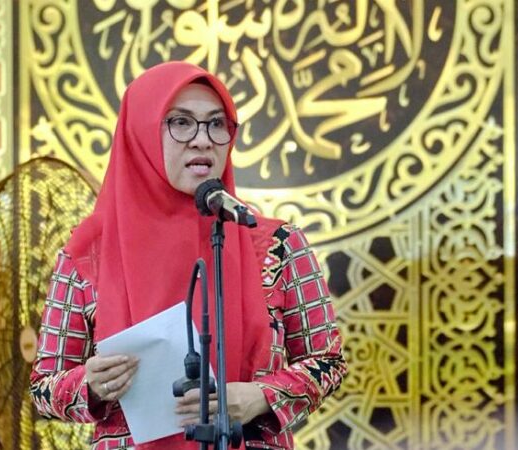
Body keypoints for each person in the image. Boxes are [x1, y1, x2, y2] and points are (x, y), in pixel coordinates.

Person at [29, 61, 347, 450]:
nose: (202, 140)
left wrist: (260, 396)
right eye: (181, 123)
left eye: (216, 124)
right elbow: (43, 388)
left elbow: (328, 362)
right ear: (141, 133)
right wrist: (90, 385)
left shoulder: (277, 245)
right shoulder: (87, 254)